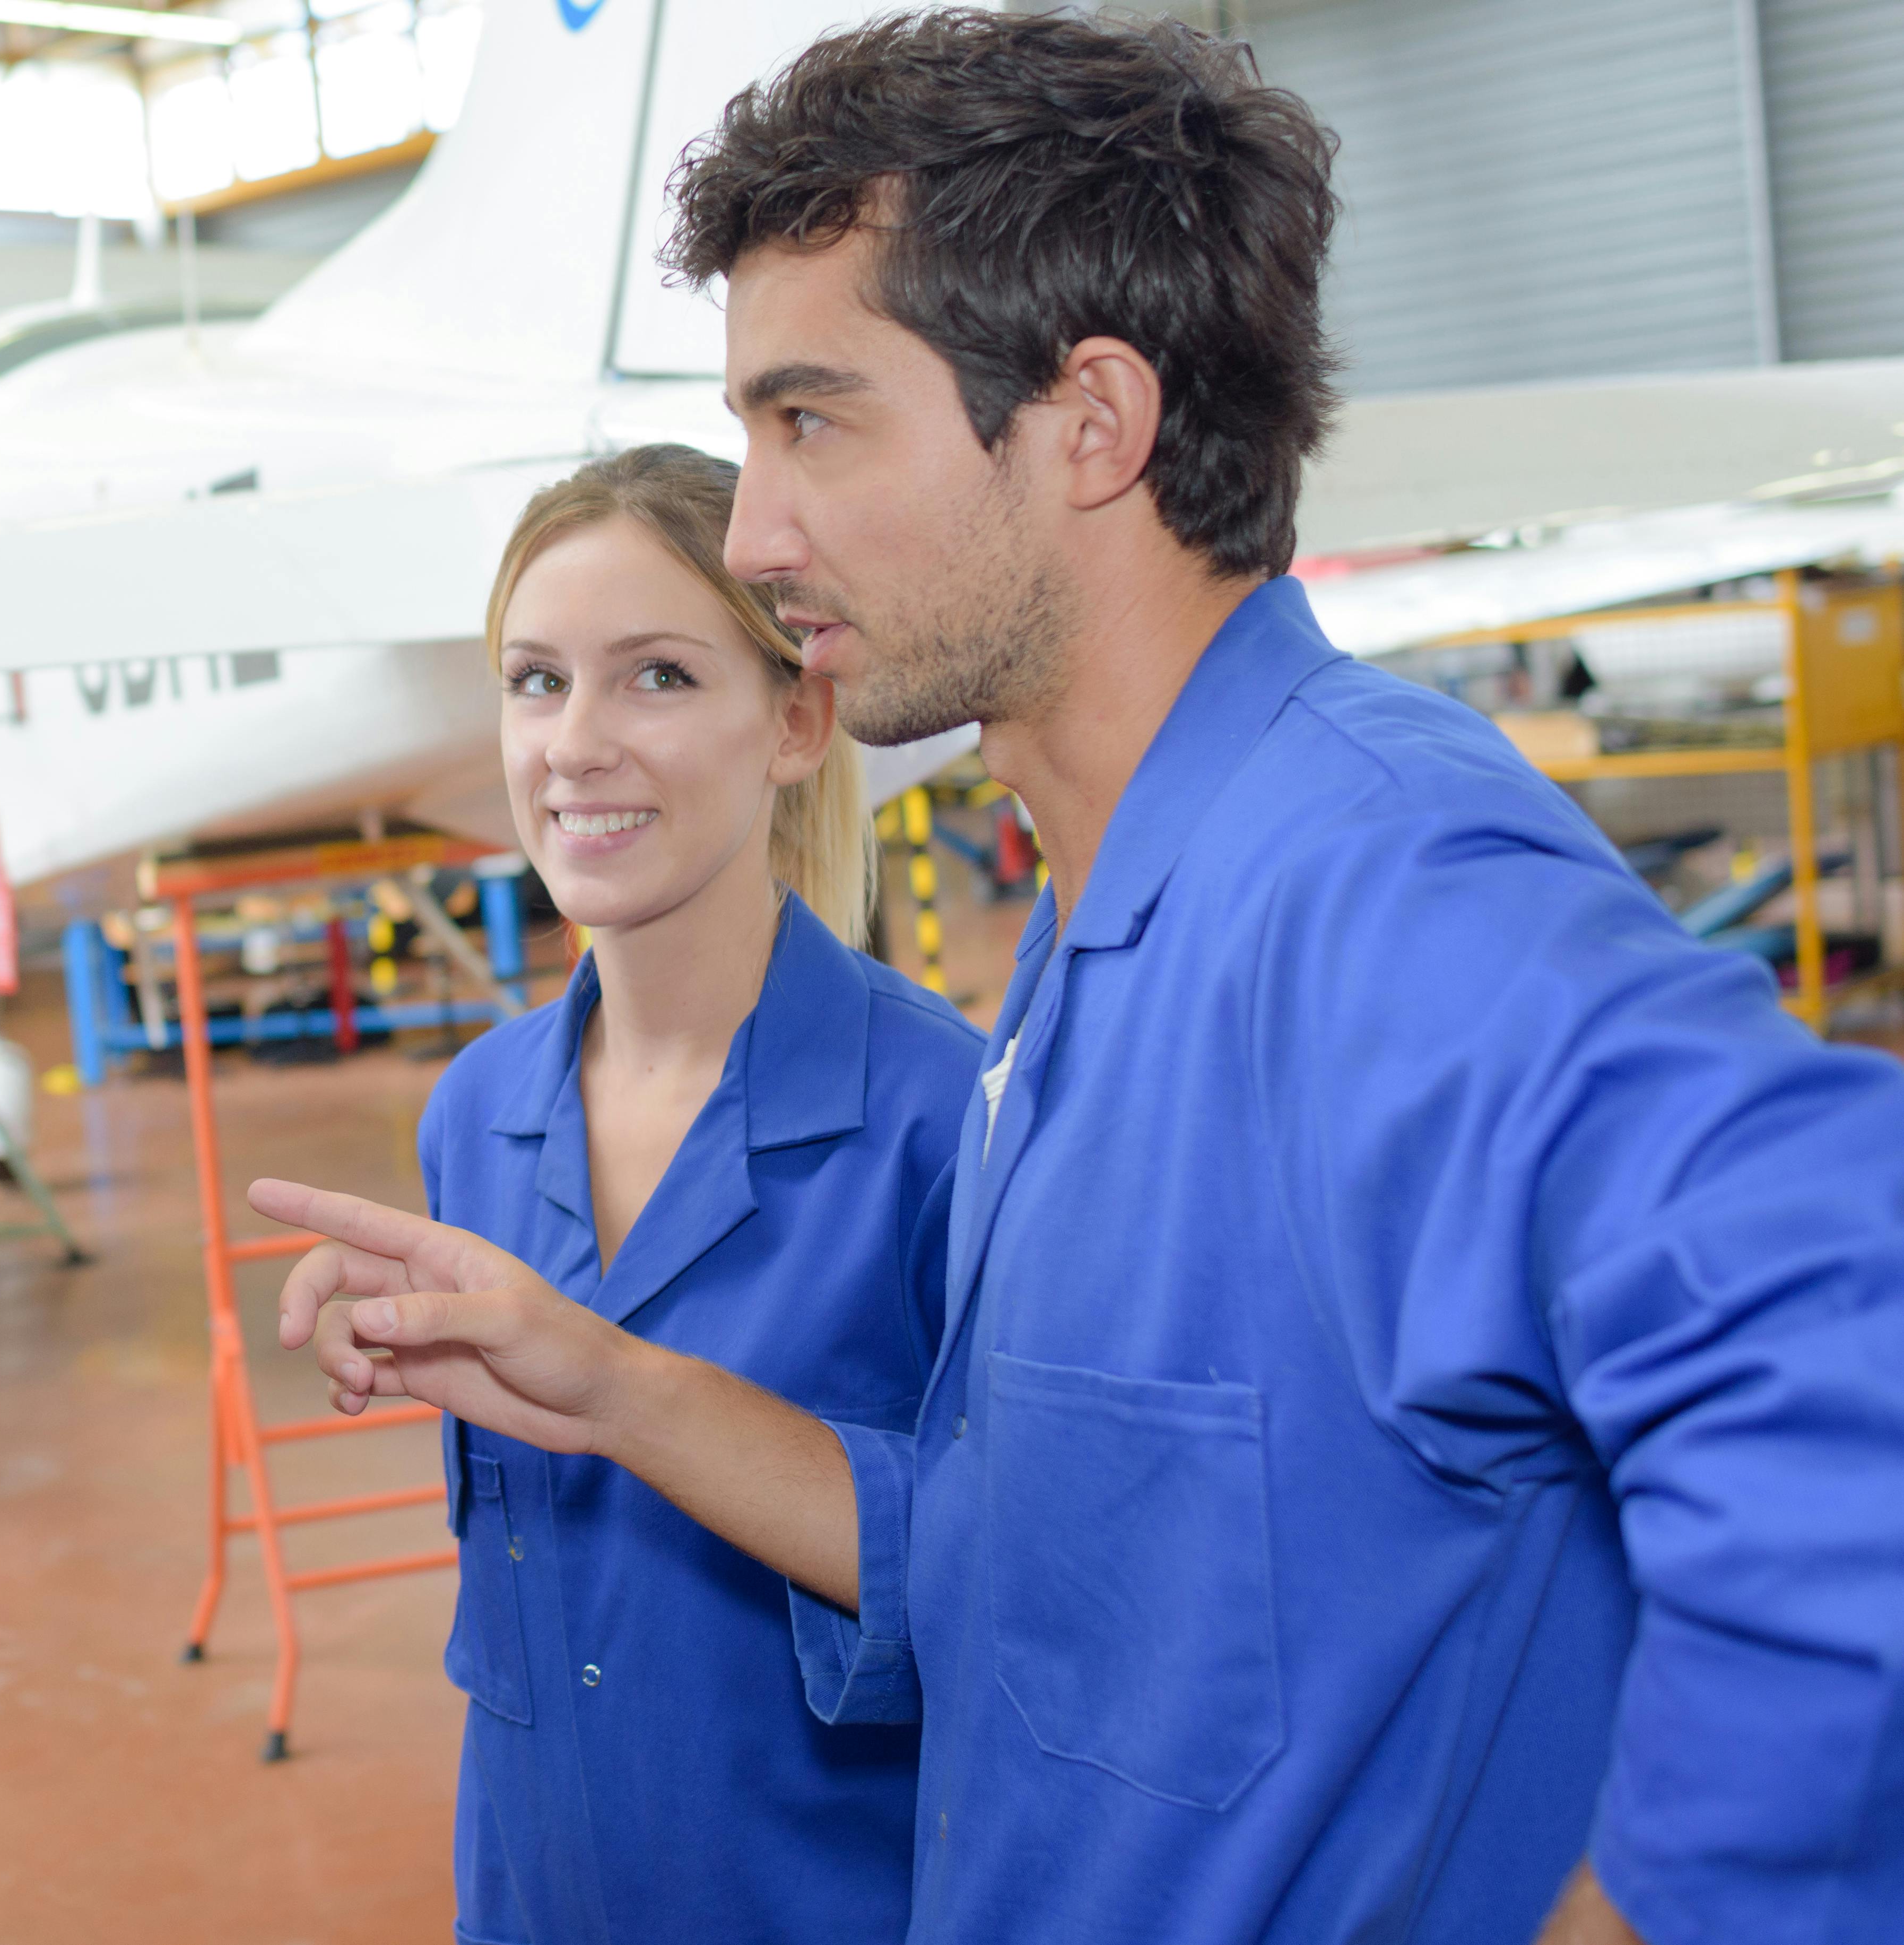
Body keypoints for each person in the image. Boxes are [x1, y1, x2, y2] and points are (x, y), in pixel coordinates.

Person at [256, 14, 1904, 1944]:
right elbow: (1005, 1568)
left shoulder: (1369, 889)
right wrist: (606, 1387)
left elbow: (1846, 1333)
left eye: (809, 423)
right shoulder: (1084, 953)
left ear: (1089, 424)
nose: (760, 534)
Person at [424, 444, 980, 1944]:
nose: (574, 744)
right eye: (535, 681)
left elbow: (1035, 1588)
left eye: (655, 677)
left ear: (796, 719)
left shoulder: (945, 1122)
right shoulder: (471, 1123)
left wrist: (625, 1391)